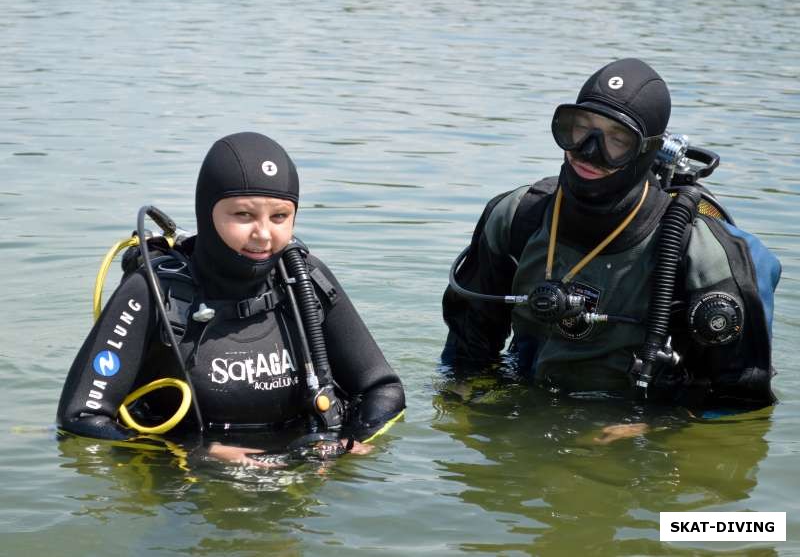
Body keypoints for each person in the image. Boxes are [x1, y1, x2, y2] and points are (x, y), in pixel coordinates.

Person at [442, 58, 781, 409]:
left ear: (647, 150)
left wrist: (652, 430)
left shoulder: (703, 255)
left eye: (616, 140)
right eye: (579, 128)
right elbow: (466, 355)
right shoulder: (516, 218)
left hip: (641, 425)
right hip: (531, 403)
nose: (588, 152)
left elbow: (740, 406)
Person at [58, 132, 405, 465]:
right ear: (207, 213)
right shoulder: (152, 291)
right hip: (191, 495)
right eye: (243, 215)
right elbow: (82, 420)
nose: (264, 234)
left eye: (280, 216)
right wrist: (196, 454)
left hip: (306, 474)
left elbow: (383, 388)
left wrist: (351, 441)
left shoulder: (303, 279)